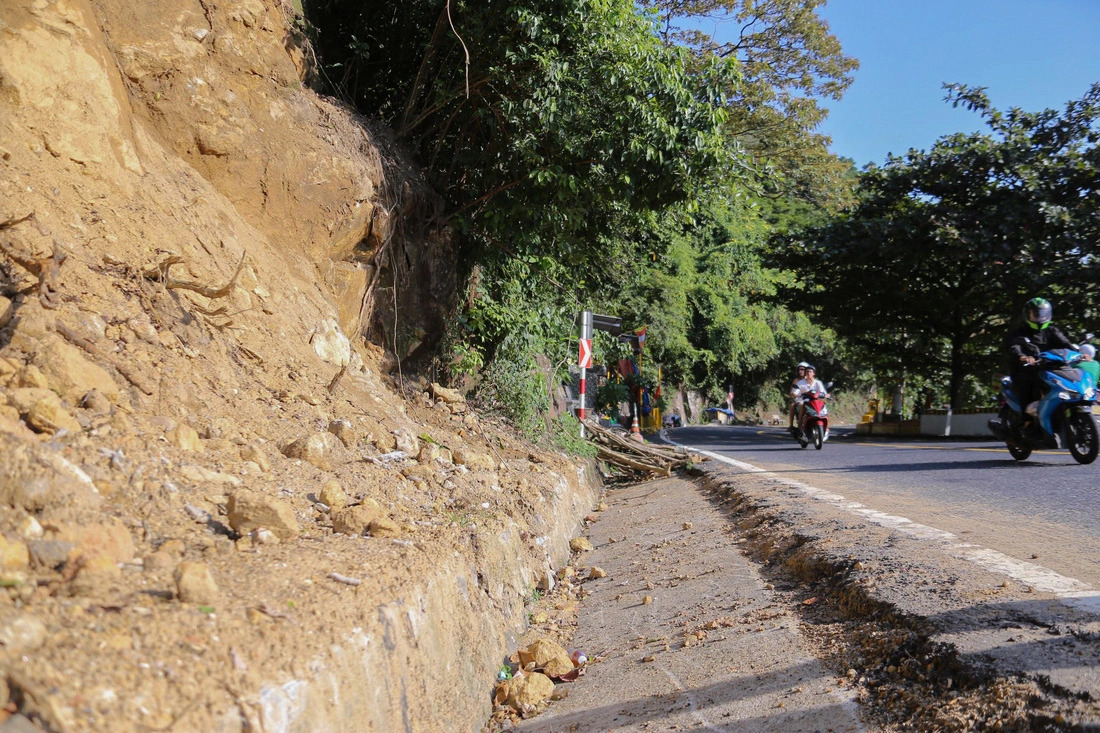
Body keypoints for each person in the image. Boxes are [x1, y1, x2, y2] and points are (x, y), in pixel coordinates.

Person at [1005, 297, 1074, 412]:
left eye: (1043, 314)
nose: (1040, 317)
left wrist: (1080, 354)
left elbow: (1065, 344)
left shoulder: (1052, 330)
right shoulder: (1020, 331)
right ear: (1028, 315)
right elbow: (1014, 346)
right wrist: (1022, 357)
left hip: (1050, 367)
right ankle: (1027, 420)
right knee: (1027, 383)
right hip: (1027, 368)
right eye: (1036, 314)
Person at [790, 364, 828, 434]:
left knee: (824, 405)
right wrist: (795, 394)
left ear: (813, 373)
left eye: (810, 372)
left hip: (814, 401)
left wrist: (826, 395)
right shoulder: (800, 383)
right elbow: (794, 392)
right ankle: (800, 426)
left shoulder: (818, 383)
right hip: (803, 401)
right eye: (807, 372)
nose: (809, 373)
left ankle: (827, 426)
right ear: (806, 373)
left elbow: (823, 392)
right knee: (801, 405)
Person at [787, 362, 809, 430]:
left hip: (809, 399)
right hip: (799, 399)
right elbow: (791, 392)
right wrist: (793, 395)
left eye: (802, 369)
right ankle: (791, 425)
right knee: (793, 405)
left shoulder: (810, 379)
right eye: (799, 370)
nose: (800, 371)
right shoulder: (796, 380)